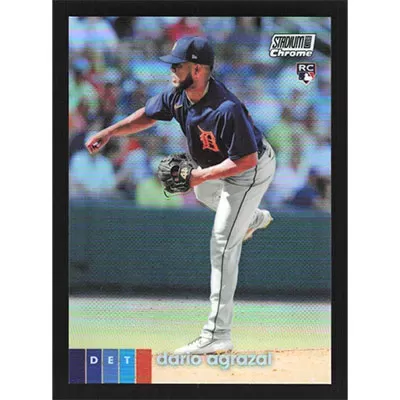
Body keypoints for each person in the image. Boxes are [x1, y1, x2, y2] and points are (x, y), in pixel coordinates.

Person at [85, 36, 276, 355]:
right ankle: (251, 218)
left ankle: (218, 333)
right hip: (216, 170)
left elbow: (246, 160)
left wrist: (200, 174)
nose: (172, 70)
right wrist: (109, 131)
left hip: (250, 169)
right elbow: (147, 114)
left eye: (178, 65)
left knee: (222, 242)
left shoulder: (226, 108)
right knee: (203, 191)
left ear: (198, 70)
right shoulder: (178, 95)